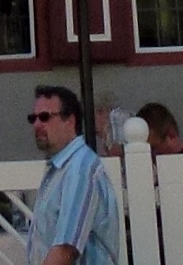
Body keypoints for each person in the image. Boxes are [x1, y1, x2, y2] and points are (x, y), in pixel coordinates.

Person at [25, 86, 121, 265]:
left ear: (70, 121)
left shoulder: (80, 169)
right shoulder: (60, 168)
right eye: (33, 118)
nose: (37, 124)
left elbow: (66, 249)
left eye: (45, 117)